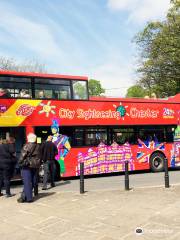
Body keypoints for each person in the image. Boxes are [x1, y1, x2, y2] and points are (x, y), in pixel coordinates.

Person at [18, 133, 41, 203]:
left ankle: (29, 198)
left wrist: (19, 162)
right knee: (33, 181)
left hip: (27, 166)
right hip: (36, 165)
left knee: (27, 182)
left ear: (28, 139)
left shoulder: (26, 146)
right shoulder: (38, 146)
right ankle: (23, 196)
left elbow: (22, 156)